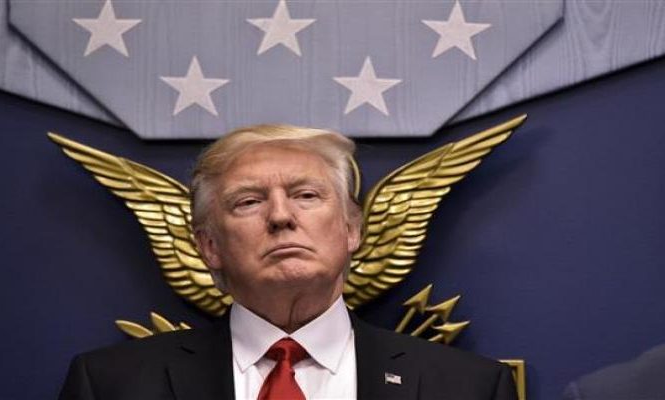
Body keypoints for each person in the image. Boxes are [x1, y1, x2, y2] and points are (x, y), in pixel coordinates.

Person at [58, 125, 517, 400]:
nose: (281, 216)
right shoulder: (112, 386)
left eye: (306, 195)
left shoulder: (469, 388)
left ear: (352, 230)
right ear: (209, 246)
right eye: (249, 201)